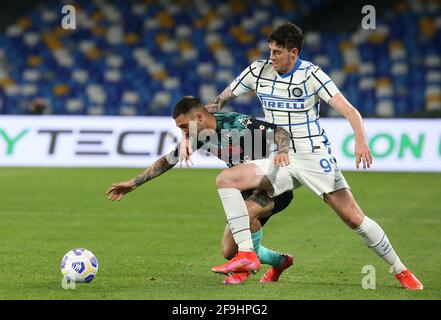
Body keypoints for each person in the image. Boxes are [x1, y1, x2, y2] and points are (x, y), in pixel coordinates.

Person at [197, 22, 423, 290]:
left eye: (277, 52)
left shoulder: (311, 75)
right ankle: (247, 255)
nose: (272, 57)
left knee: (353, 218)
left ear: (293, 52)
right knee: (226, 179)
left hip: (312, 154)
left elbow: (351, 111)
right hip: (278, 155)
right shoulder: (258, 71)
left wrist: (361, 141)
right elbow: (219, 101)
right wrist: (193, 125)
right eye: (270, 50)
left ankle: (400, 269)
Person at [106, 96, 295, 285]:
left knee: (246, 214)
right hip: (245, 191)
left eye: (183, 126)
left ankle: (244, 266)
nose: (183, 133)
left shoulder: (237, 123)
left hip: (273, 185)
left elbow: (280, 132)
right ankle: (280, 261)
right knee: (228, 251)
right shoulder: (200, 136)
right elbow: (168, 160)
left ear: (198, 117)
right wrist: (134, 182)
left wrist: (282, 151)